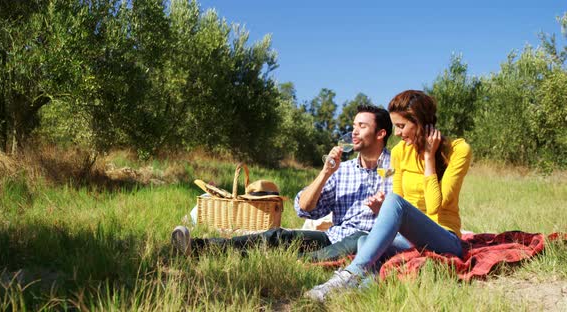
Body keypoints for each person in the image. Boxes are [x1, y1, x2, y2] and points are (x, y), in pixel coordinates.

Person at [171, 104, 409, 261]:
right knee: (278, 237)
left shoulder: (399, 167)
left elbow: (410, 214)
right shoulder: (342, 170)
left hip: (370, 240)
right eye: (353, 126)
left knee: (343, 244)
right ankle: (199, 247)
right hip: (333, 237)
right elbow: (303, 210)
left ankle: (302, 263)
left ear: (380, 134)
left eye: (362, 126)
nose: (354, 132)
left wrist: (385, 209)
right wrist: (325, 173)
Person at [305, 90, 472, 301]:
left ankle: (347, 276)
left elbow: (435, 207)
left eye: (402, 126)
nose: (398, 134)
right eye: (396, 127)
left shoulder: (458, 150)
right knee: (364, 240)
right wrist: (383, 209)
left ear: (420, 122)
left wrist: (429, 158)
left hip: (445, 238)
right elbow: (400, 200)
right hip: (410, 239)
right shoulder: (400, 151)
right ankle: (362, 293)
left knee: (391, 206)